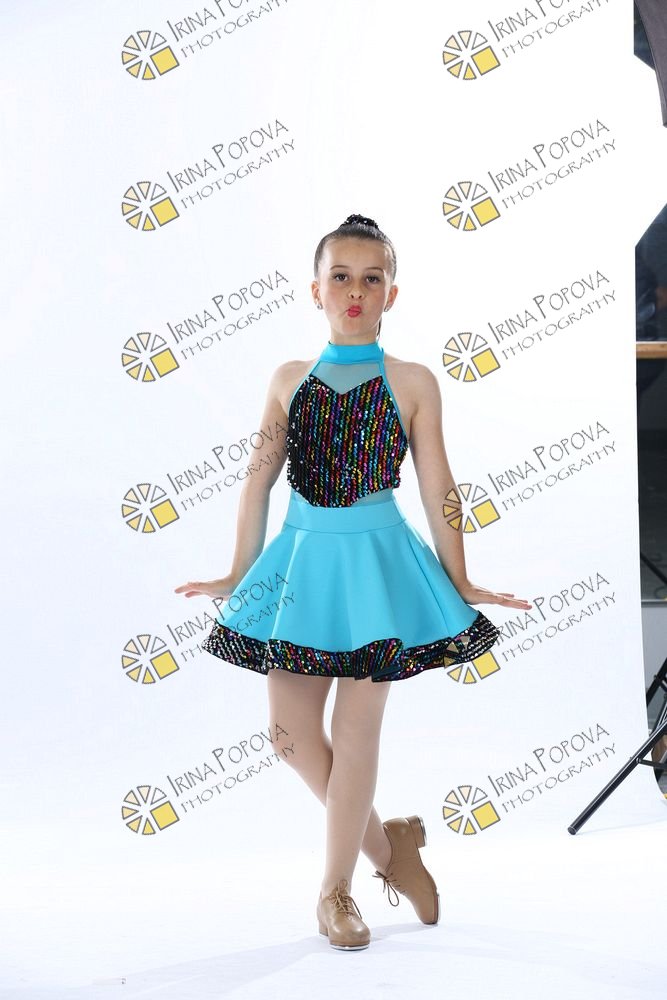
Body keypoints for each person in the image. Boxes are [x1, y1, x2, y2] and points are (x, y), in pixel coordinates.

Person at [175, 213, 532, 951]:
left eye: (372, 279)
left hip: (378, 566)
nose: (355, 291)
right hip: (301, 566)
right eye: (340, 277)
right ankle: (391, 848)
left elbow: (438, 486)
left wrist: (460, 576)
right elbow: (257, 483)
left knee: (355, 731)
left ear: (391, 294)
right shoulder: (287, 380)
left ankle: (335, 893)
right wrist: (237, 573)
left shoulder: (412, 381)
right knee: (288, 737)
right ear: (316, 289)